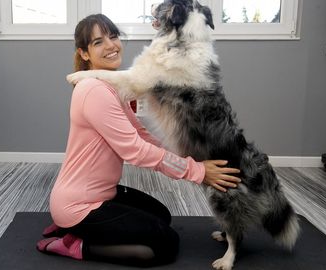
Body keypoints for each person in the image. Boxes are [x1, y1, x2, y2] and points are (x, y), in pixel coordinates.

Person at [37, 14, 241, 267]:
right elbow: (135, 150)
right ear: (85, 53)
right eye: (98, 42)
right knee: (165, 246)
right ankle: (75, 244)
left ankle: (75, 227)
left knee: (161, 216)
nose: (111, 45)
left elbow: (141, 136)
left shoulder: (109, 86)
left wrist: (188, 159)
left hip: (102, 193)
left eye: (113, 36)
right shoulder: (94, 90)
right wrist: (196, 171)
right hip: (80, 204)